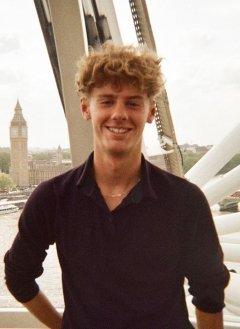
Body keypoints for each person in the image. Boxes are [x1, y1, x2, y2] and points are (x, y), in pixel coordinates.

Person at [4, 43, 229, 329]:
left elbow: (209, 294)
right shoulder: (53, 198)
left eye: (133, 102)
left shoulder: (185, 201)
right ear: (86, 108)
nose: (119, 114)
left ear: (149, 112)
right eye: (107, 101)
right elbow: (18, 276)